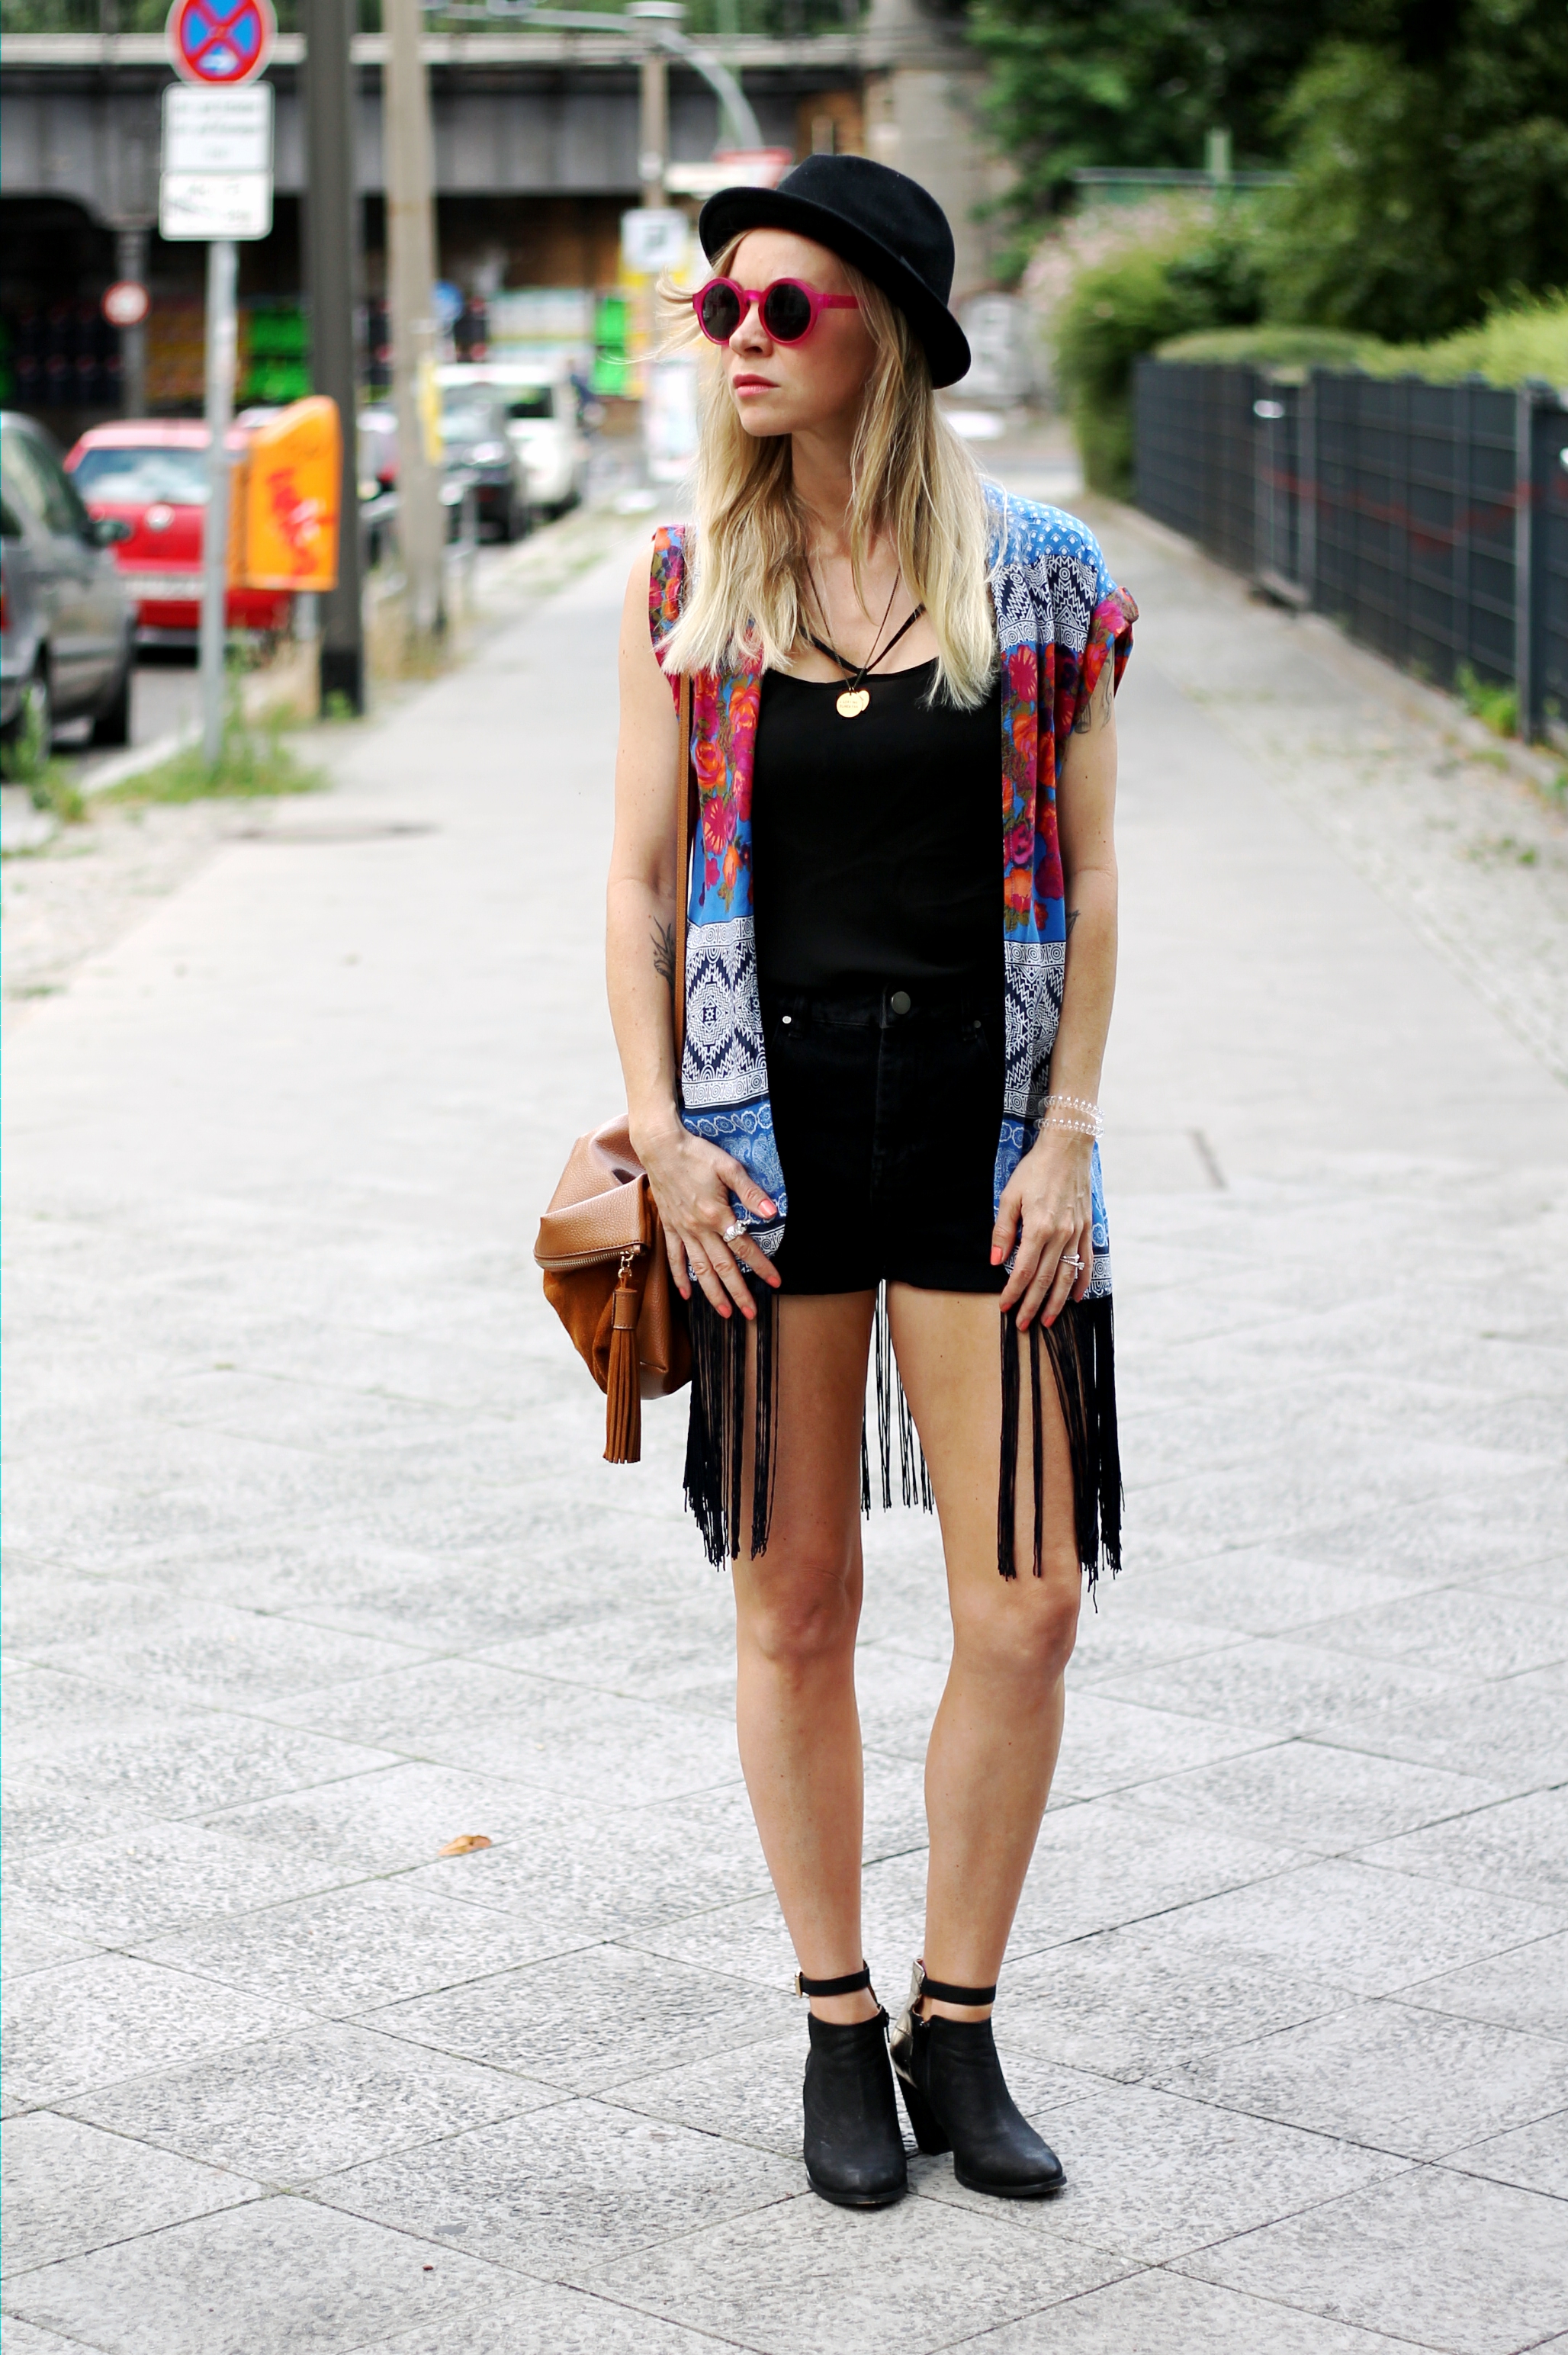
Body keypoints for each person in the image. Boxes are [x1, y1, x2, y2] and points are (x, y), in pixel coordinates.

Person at [606, 155, 1133, 2210]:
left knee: (1029, 1603)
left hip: (990, 1140)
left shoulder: (1046, 581)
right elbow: (640, 883)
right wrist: (660, 1131)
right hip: (767, 1138)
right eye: (719, 307)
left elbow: (1093, 877)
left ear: (888, 337)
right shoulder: (690, 584)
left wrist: (1073, 1132)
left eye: (781, 307)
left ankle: (958, 2022)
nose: (738, 338)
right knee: (797, 1598)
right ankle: (838, 2021)